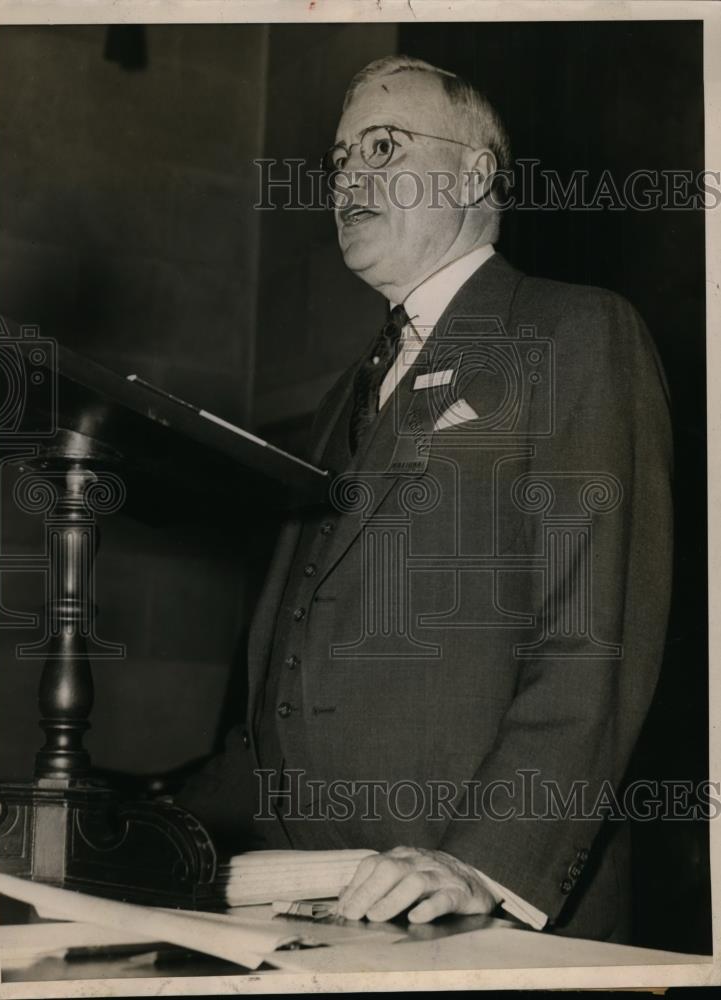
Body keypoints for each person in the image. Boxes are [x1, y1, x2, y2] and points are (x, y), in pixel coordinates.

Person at [179, 55, 673, 943]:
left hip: (475, 912)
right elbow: (286, 678)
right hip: (316, 908)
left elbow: (594, 641)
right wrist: (152, 817)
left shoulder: (572, 331)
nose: (348, 179)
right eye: (338, 160)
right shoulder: (343, 396)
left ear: (476, 171)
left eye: (382, 145)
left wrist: (483, 862)